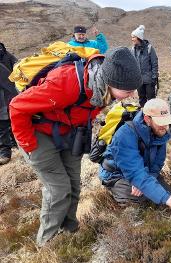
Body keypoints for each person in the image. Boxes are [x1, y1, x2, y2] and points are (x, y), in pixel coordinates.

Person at [9, 47, 142, 246]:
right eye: (128, 91)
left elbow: (87, 111)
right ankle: (47, 242)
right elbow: (17, 107)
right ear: (111, 83)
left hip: (69, 132)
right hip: (37, 133)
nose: (131, 96)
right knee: (58, 190)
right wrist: (29, 145)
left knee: (73, 184)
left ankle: (70, 230)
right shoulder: (64, 83)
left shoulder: (102, 90)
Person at [99, 98, 171, 220]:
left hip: (141, 170)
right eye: (160, 122)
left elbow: (157, 164)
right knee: (141, 199)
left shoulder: (160, 132)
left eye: (166, 122)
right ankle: (115, 191)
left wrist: (146, 180)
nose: (165, 126)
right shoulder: (125, 135)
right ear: (147, 119)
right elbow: (135, 173)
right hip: (116, 174)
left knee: (166, 192)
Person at [130, 25, 159, 107]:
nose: (132, 39)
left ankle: (152, 116)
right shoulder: (133, 49)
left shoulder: (149, 48)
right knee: (142, 99)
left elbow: (154, 63)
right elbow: (132, 65)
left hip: (149, 79)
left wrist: (154, 77)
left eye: (133, 37)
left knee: (151, 100)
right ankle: (144, 116)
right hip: (139, 80)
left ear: (138, 38)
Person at [0, 42, 18, 165]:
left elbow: (17, 66)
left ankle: (18, 144)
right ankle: (5, 152)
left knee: (15, 120)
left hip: (10, 93)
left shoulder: (5, 53)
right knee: (2, 125)